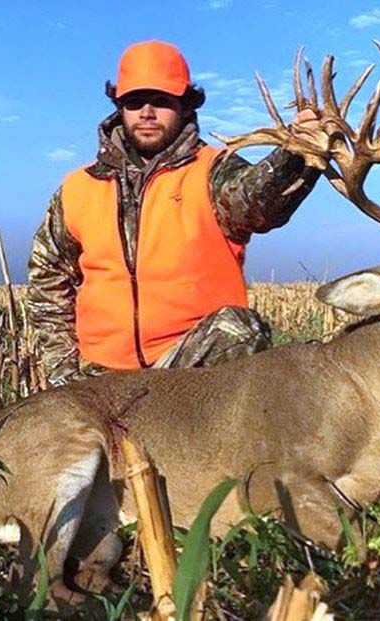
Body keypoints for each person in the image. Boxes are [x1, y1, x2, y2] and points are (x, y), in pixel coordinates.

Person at [27, 40, 322, 386]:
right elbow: (47, 278)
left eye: (162, 101)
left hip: (188, 370)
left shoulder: (213, 171)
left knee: (239, 329)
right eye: (134, 102)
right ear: (119, 107)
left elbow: (257, 204)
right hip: (101, 378)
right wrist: (63, 372)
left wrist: (297, 154)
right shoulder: (79, 186)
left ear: (185, 106)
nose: (147, 112)